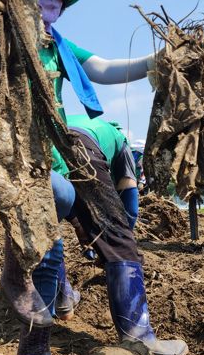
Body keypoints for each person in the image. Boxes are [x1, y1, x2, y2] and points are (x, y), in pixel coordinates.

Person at [0, 0, 186, 355]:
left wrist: (158, 60)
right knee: (57, 202)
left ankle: (127, 335)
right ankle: (16, 274)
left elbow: (104, 69)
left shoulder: (58, 45)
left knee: (88, 233)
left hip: (46, 155)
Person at [51, 114, 140, 323]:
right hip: (84, 151)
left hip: (52, 153)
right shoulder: (120, 140)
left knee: (49, 229)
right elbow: (129, 194)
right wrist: (121, 238)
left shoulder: (78, 121)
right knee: (119, 240)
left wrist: (78, 223)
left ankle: (63, 303)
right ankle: (135, 329)